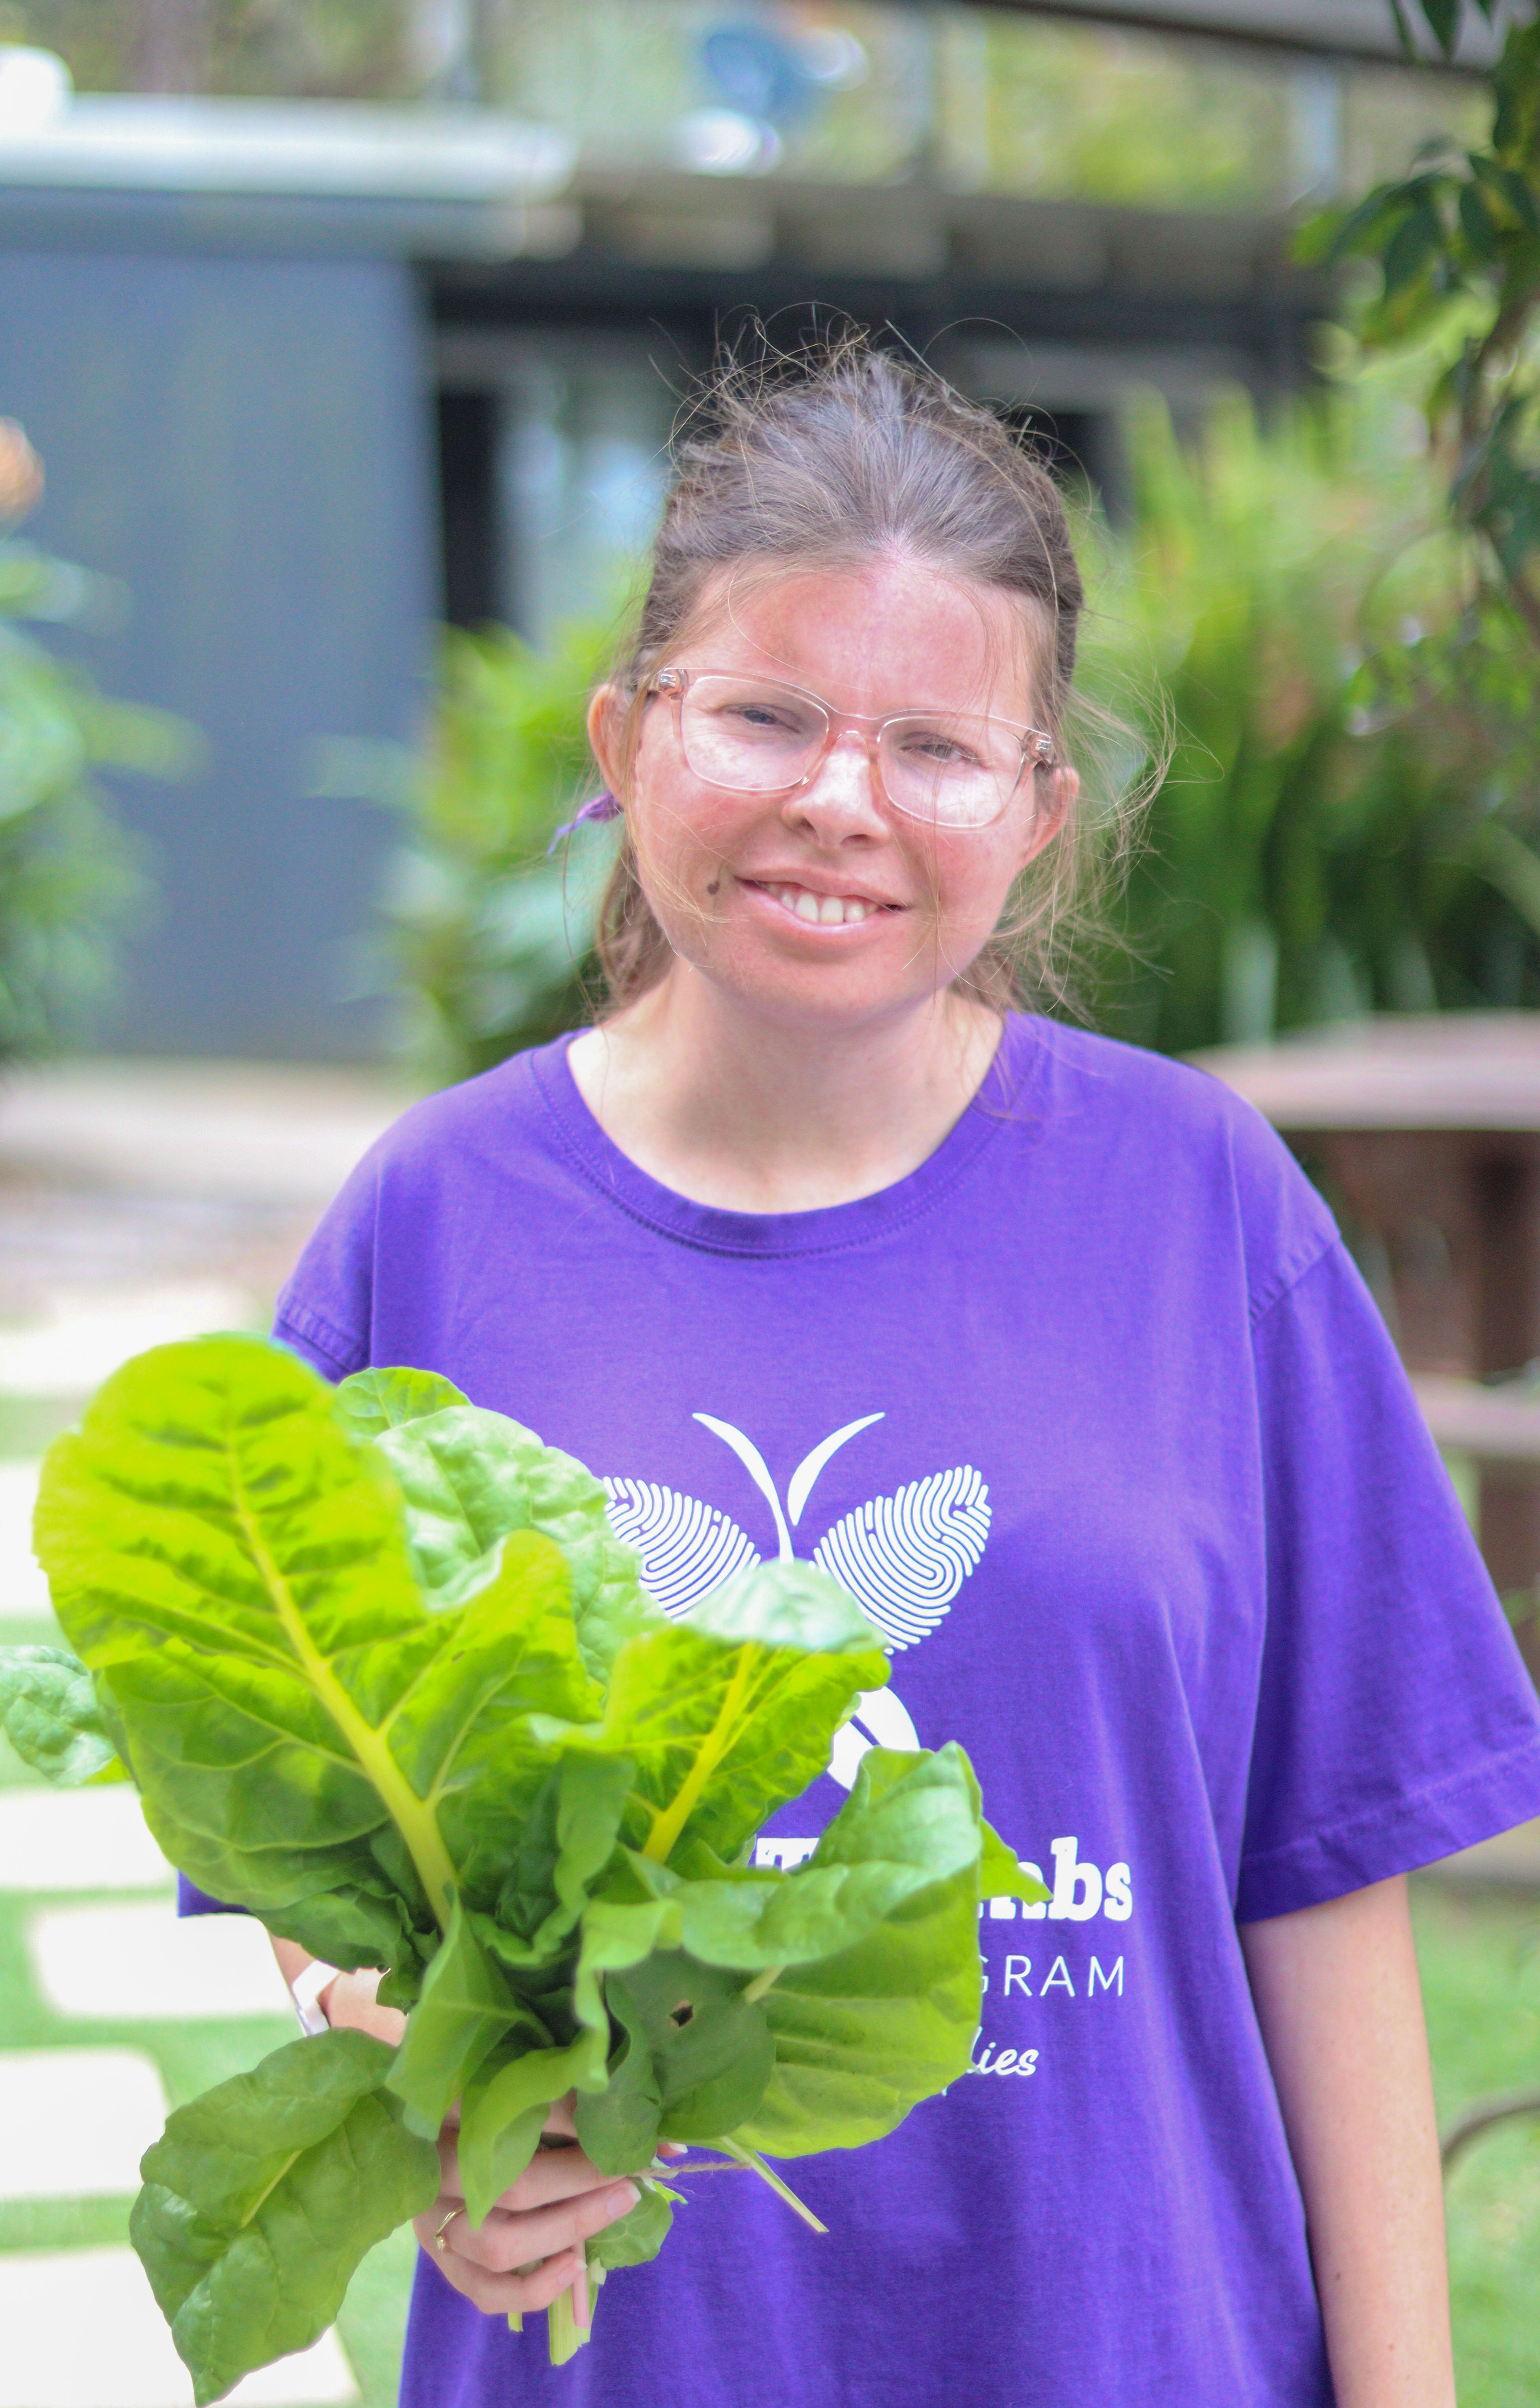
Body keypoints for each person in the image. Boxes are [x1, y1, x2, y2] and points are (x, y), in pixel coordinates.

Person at [236, 340, 1540, 2407]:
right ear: (625, 739)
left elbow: (1328, 1886)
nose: (838, 800)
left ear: (1039, 810)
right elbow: (311, 1842)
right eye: (762, 713)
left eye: (936, 745)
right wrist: (407, 2072)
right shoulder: (441, 1219)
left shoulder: (1206, 1210)